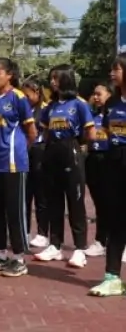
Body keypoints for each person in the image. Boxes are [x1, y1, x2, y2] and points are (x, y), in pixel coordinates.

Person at [0, 58, 37, 277]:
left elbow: (31, 132)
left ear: (9, 75)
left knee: (15, 212)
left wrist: (19, 151)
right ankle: (0, 254)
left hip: (12, 165)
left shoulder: (18, 97)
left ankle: (19, 258)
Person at [34, 65, 94, 268]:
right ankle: (55, 245)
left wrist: (81, 149)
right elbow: (42, 131)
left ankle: (79, 249)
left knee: (75, 202)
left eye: (56, 78)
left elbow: (89, 133)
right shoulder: (49, 107)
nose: (52, 82)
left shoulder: (79, 105)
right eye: (51, 78)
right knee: (54, 202)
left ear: (66, 80)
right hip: (52, 153)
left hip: (72, 151)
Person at [89, 53, 126, 296]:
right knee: (115, 221)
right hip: (114, 165)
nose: (112, 74)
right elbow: (104, 130)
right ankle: (112, 276)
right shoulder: (111, 104)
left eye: (117, 69)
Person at [20, 79, 50, 250]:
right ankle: (25, 230)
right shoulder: (23, 110)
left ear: (37, 93)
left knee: (41, 195)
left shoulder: (44, 110)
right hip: (24, 153)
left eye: (27, 95)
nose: (24, 98)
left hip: (39, 152)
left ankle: (43, 233)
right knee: (25, 194)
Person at [85, 82, 113, 258]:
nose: (95, 97)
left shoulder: (117, 115)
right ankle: (100, 241)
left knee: (115, 204)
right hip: (94, 160)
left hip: (111, 160)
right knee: (100, 204)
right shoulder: (93, 116)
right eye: (94, 94)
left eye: (99, 94)